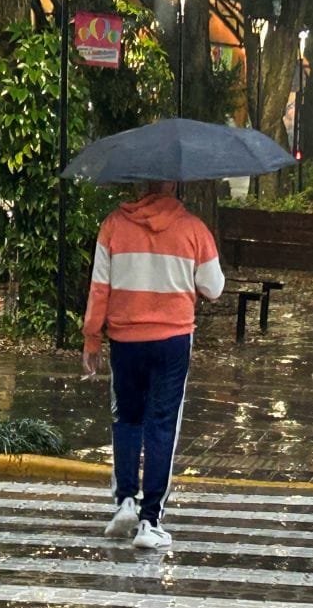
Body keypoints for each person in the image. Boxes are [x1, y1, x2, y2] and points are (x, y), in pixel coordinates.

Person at [82, 180, 224, 549]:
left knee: (126, 419)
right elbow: (214, 287)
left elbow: (100, 287)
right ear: (174, 184)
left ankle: (125, 500)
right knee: (162, 424)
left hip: (125, 340)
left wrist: (91, 337)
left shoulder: (113, 224)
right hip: (172, 341)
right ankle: (150, 521)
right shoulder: (194, 229)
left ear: (142, 183)